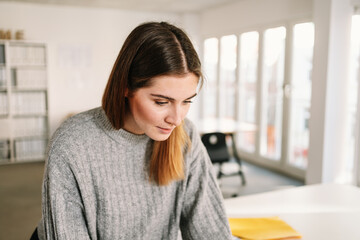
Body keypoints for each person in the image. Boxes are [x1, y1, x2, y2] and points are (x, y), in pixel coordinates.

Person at [34, 21, 232, 240]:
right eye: (161, 102)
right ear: (126, 87)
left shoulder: (186, 135)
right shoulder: (73, 143)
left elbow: (210, 230)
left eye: (186, 102)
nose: (176, 119)